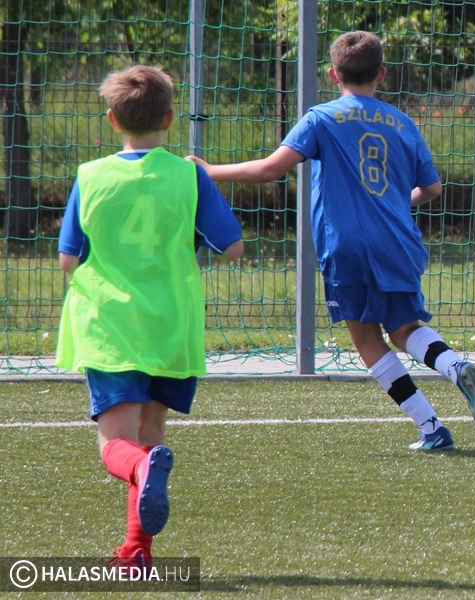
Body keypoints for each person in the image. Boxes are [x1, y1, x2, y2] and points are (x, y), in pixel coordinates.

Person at [188, 31, 475, 450]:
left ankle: (431, 428)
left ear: (333, 74)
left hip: (346, 245)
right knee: (405, 329)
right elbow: (432, 188)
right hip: (399, 241)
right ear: (381, 74)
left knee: (366, 338)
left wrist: (209, 170)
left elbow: (271, 169)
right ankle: (455, 366)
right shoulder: (404, 123)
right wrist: (393, 202)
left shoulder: (321, 117)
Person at [56, 65, 245, 568]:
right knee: (150, 437)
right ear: (168, 118)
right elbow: (232, 247)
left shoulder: (91, 176)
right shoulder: (189, 175)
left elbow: (68, 258)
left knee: (118, 447)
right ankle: (136, 550)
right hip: (171, 326)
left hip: (111, 327)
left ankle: (140, 478)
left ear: (112, 120)